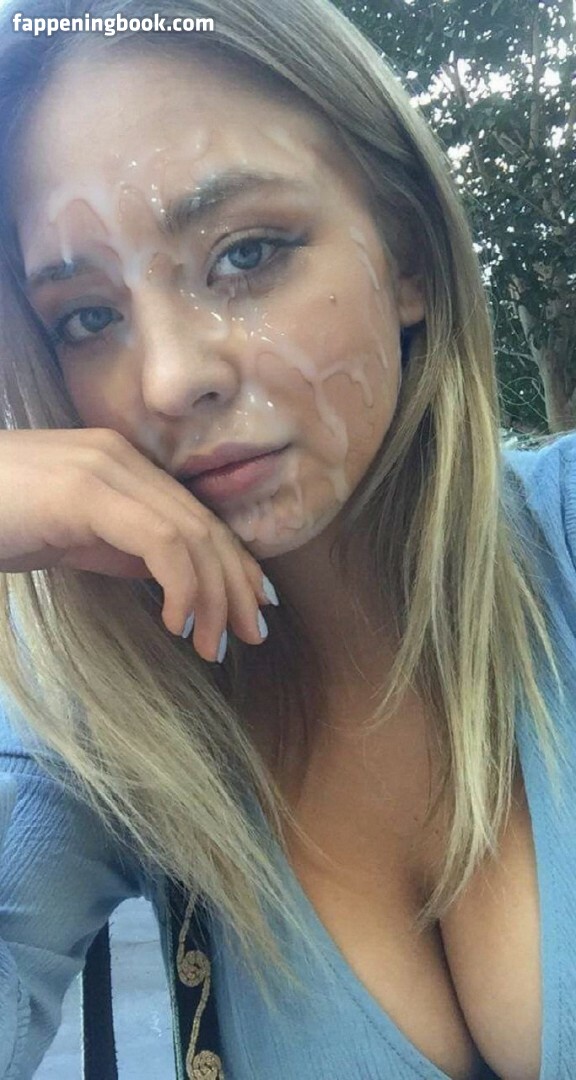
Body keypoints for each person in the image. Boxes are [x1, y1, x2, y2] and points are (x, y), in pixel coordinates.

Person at [0, 0, 574, 1076]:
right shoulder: (102, 724)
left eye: (246, 253)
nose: (169, 379)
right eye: (88, 317)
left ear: (408, 250)